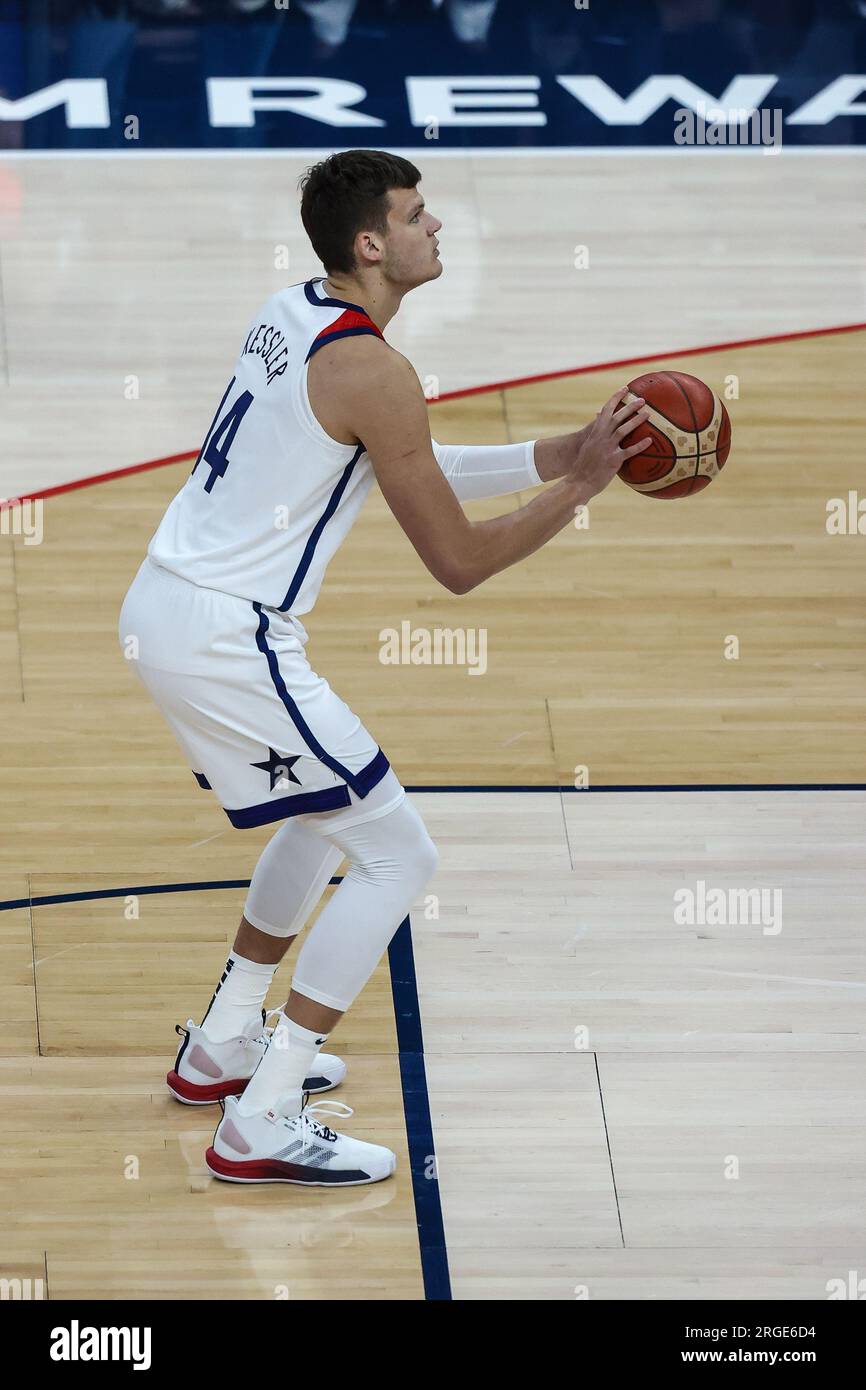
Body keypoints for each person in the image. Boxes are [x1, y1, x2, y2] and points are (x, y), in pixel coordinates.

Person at [118, 148, 651, 1187]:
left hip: (173, 608)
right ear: (372, 244)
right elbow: (457, 561)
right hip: (230, 636)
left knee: (324, 817)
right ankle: (262, 1116)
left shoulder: (294, 312)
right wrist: (581, 488)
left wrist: (555, 450)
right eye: (417, 214)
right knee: (400, 855)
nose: (435, 226)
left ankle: (222, 1047)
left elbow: (404, 458)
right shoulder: (372, 369)